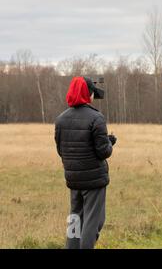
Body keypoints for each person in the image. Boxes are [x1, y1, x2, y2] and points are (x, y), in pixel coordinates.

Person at [54, 76, 117, 249]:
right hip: (94, 180)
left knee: (75, 218)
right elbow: (103, 151)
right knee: (92, 221)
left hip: (73, 178)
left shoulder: (60, 119)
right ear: (87, 93)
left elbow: (61, 150)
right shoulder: (96, 118)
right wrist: (110, 142)